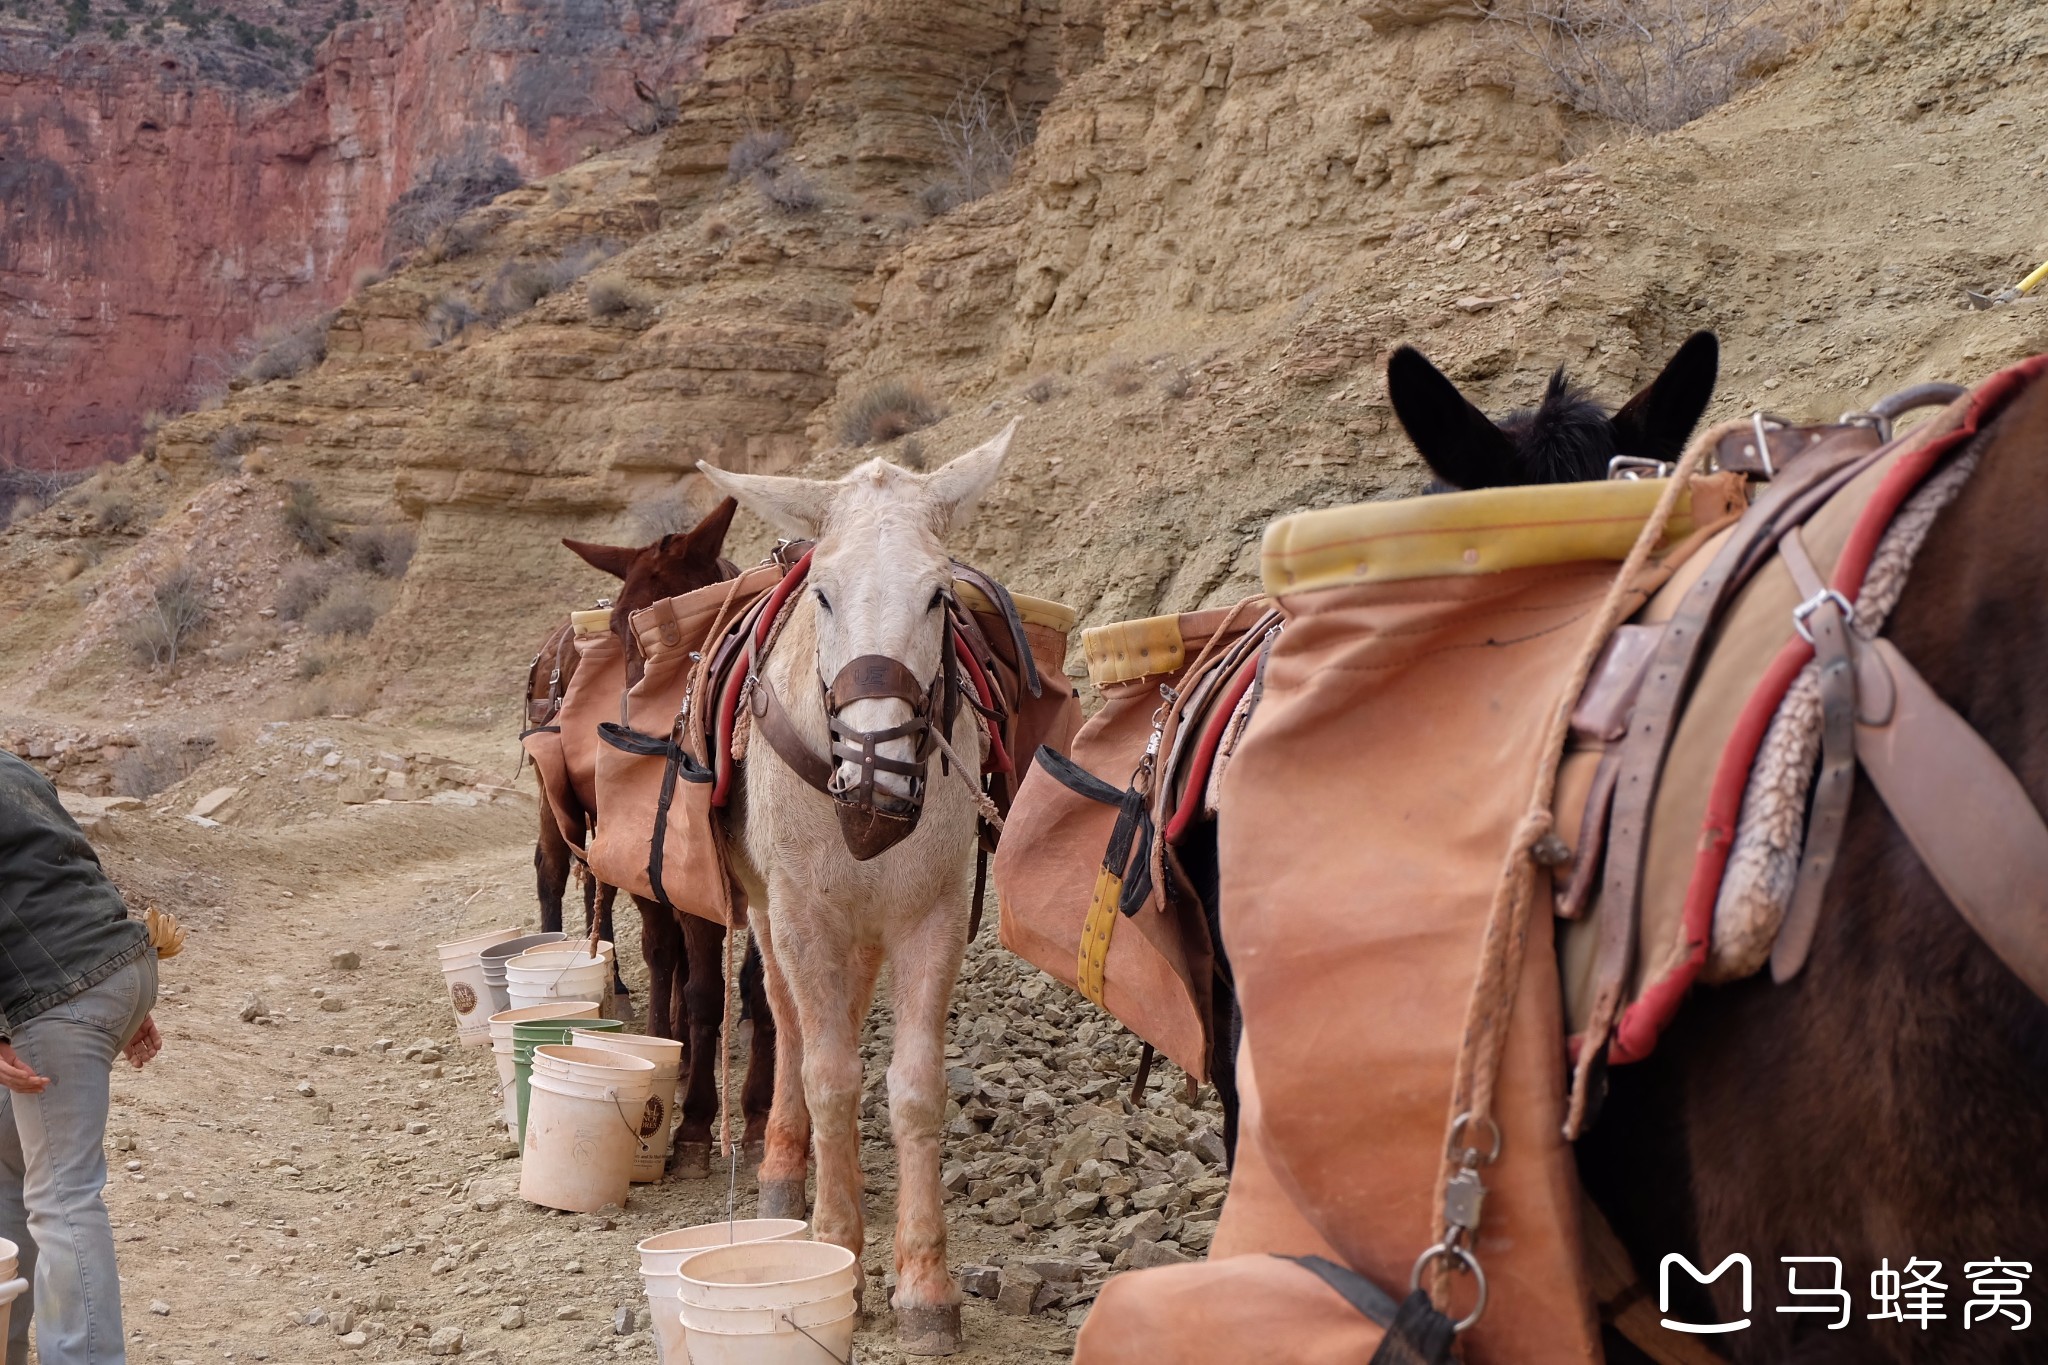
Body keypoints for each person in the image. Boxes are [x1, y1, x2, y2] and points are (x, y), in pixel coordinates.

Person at [0, 751, 162, 1365]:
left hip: (55, 993)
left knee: (64, 1196)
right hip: (115, 960)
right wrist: (120, 993)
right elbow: (78, 866)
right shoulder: (11, 768)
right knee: (7, 1161)